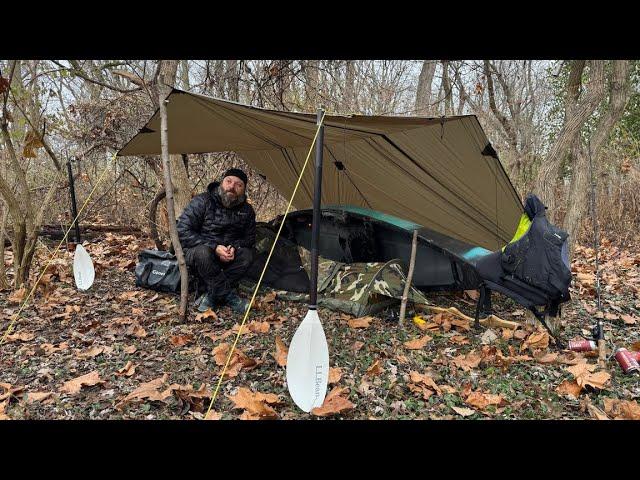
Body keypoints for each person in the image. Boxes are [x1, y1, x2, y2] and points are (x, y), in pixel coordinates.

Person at [177, 168, 256, 313]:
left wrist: (234, 248)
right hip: (199, 254)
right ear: (221, 183)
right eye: (229, 181)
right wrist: (214, 247)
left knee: (247, 255)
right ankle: (229, 296)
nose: (232, 187)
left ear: (243, 190)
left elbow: (250, 239)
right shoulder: (202, 201)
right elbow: (182, 230)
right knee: (203, 252)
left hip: (228, 256)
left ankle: (211, 295)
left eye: (238, 184)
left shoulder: (247, 210)